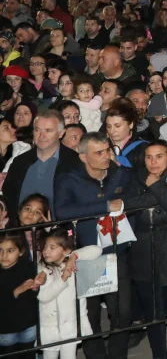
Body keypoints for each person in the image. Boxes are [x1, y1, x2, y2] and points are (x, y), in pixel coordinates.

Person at [52, 132, 133, 359]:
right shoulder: (68, 178)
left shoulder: (121, 174)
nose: (106, 156)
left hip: (118, 253)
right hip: (86, 257)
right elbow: (62, 211)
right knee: (89, 315)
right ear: (83, 156)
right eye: (99, 152)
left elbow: (136, 199)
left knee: (123, 312)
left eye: (107, 150)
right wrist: (105, 205)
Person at [122, 141, 167, 359]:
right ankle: (159, 355)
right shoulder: (136, 176)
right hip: (143, 253)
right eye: (148, 157)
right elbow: (128, 204)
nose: (153, 162)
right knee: (152, 313)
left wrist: (155, 187)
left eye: (159, 156)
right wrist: (161, 193)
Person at [35, 229, 102, 359]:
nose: (45, 251)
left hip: (71, 324)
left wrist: (74, 256)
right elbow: (43, 297)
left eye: (52, 247)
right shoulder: (42, 268)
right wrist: (62, 279)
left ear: (66, 251)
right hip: (50, 325)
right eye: (45, 246)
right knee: (49, 356)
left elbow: (97, 250)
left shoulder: (74, 264)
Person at [2, 111, 79, 208]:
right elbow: (8, 196)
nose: (41, 136)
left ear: (61, 133)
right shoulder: (20, 161)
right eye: (37, 130)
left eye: (48, 131)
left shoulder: (75, 162)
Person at [0, 231, 39, 356]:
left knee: (28, 355)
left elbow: (33, 297)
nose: (4, 255)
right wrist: (16, 291)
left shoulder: (27, 266)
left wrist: (35, 286)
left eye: (10, 250)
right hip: (5, 329)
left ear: (21, 251)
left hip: (28, 325)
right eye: (0, 250)